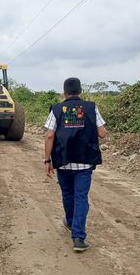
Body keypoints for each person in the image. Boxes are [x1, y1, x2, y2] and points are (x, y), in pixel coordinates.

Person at [44, 77, 107, 252]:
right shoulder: (91, 107)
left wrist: (47, 160)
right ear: (80, 91)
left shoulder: (57, 109)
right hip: (85, 162)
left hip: (63, 161)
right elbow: (102, 133)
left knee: (67, 194)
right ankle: (78, 237)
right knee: (81, 197)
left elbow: (49, 135)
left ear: (64, 93)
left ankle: (71, 222)